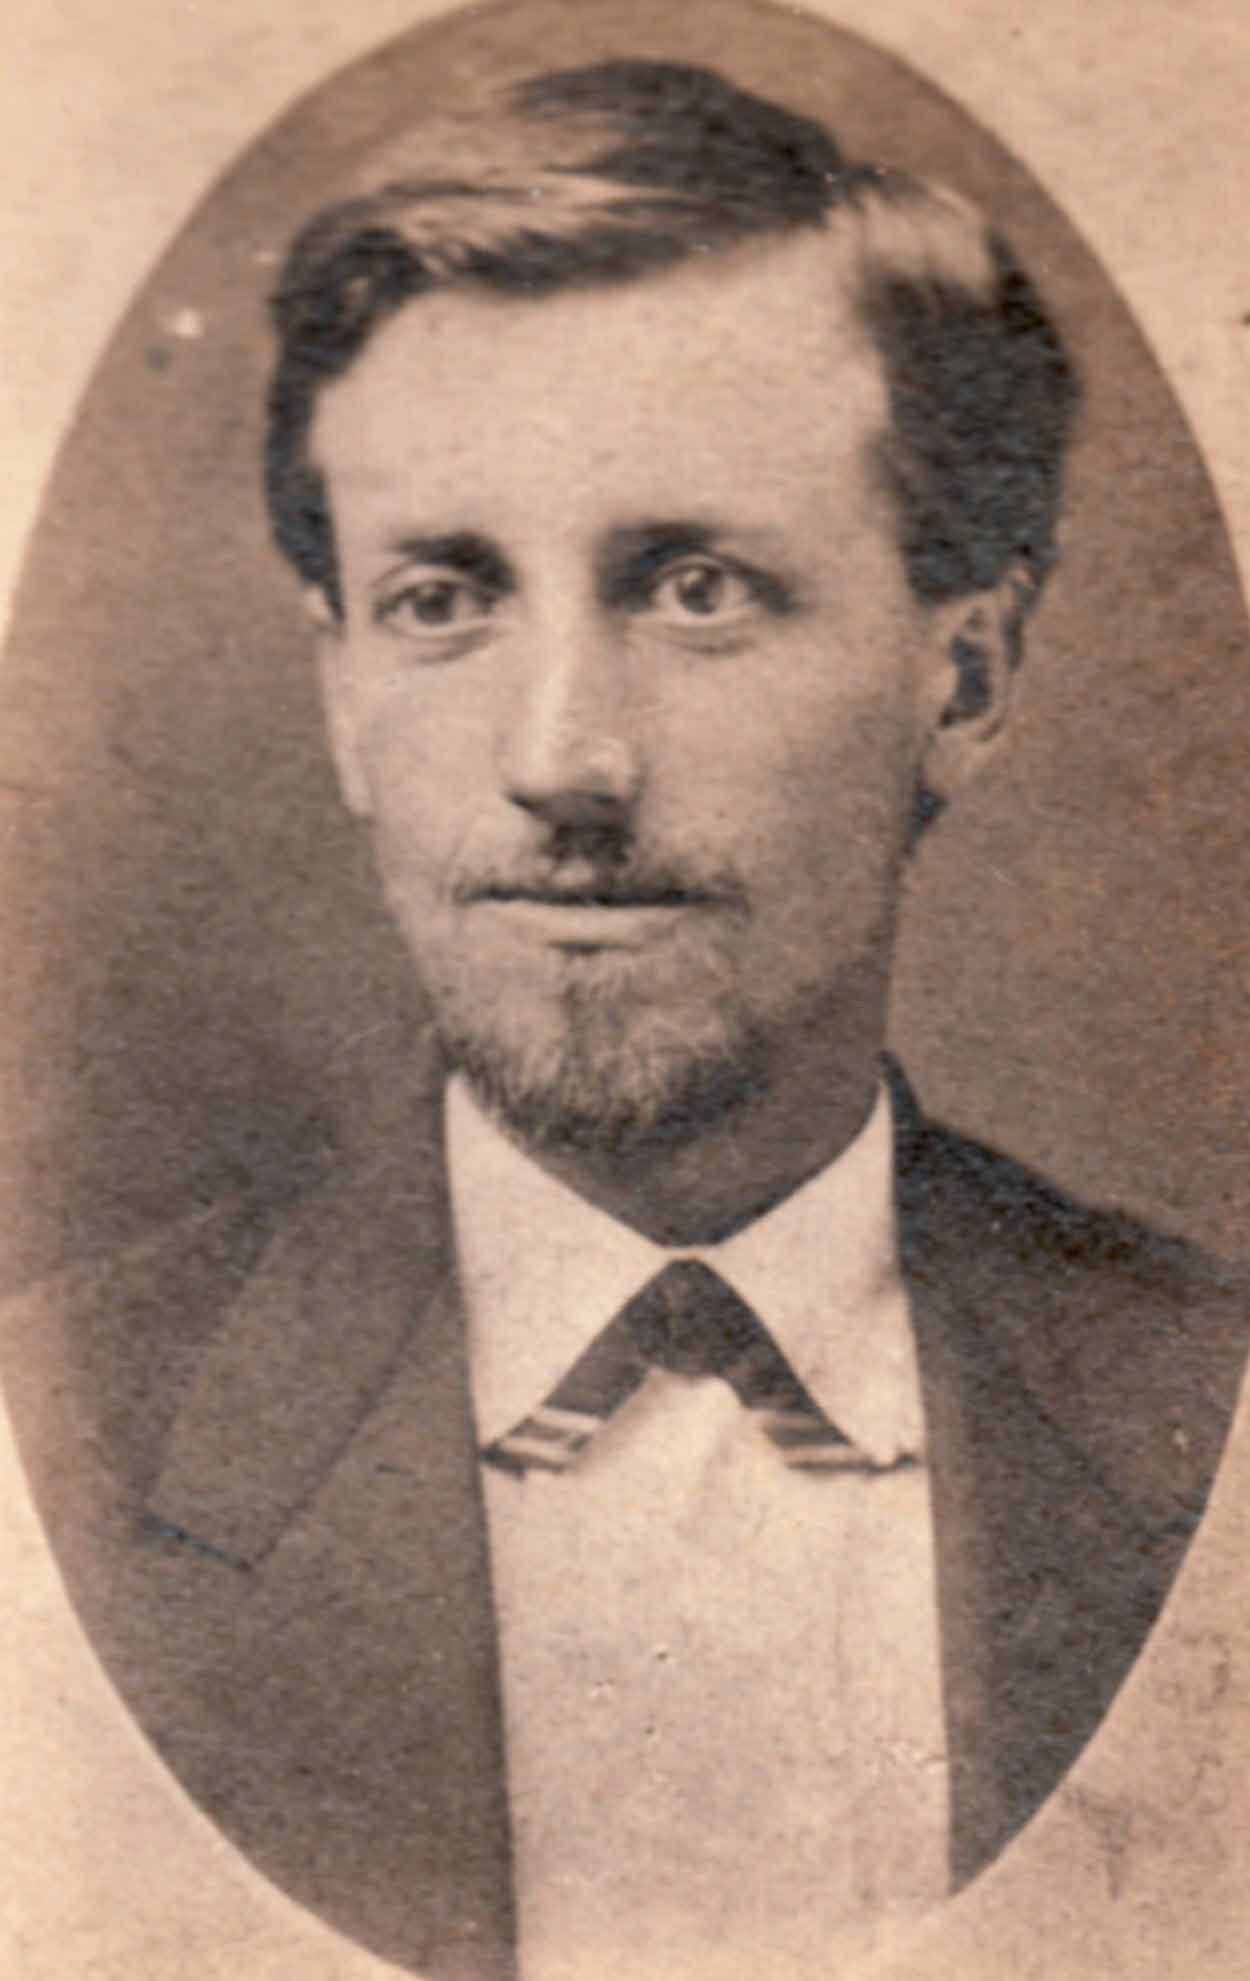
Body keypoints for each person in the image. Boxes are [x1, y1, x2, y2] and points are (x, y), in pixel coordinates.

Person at [68, 56, 1246, 1981]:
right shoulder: (60, 1443)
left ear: (963, 677)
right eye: (443, 598)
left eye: (697, 588)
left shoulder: (1206, 1406)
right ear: (344, 697)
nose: (562, 761)